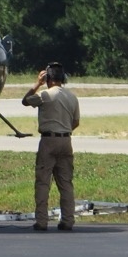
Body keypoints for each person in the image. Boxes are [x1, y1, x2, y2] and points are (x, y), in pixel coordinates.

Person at [22, 62, 81, 231]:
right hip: (66, 140)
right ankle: (68, 220)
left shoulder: (45, 95)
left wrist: (37, 84)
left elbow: (25, 101)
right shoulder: (72, 97)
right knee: (66, 183)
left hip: (48, 140)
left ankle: (42, 221)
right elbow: (76, 122)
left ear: (48, 78)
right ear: (63, 79)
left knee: (43, 182)